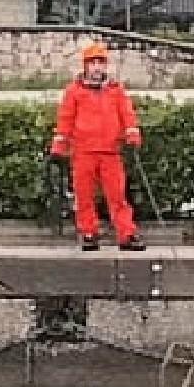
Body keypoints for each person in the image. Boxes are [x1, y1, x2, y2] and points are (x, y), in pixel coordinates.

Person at [49, 42, 146, 251]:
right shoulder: (73, 91)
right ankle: (89, 233)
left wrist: (132, 134)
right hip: (83, 152)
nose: (96, 68)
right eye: (92, 63)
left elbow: (127, 114)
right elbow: (65, 119)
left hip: (111, 151)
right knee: (84, 196)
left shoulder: (115, 90)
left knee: (117, 196)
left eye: (100, 63)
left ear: (105, 66)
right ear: (85, 66)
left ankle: (126, 234)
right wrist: (59, 145)